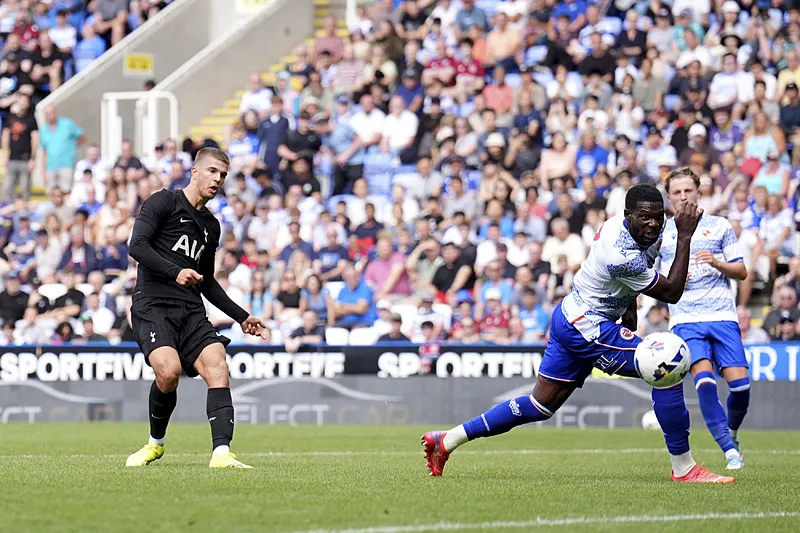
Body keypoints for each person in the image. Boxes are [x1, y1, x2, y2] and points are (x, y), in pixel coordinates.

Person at [422, 175, 735, 484]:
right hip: (588, 324)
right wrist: (684, 236)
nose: (653, 224)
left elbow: (624, 281)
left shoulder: (633, 229)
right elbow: (671, 293)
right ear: (628, 217)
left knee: (539, 405)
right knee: (666, 366)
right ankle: (684, 468)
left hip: (570, 316)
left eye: (657, 218)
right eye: (645, 218)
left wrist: (627, 305)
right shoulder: (619, 253)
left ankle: (447, 440)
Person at [125, 148, 266, 469]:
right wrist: (174, 271)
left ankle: (221, 454)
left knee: (218, 365)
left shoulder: (211, 226)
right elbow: (137, 245)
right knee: (169, 371)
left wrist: (242, 317)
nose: (218, 179)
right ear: (195, 172)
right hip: (153, 304)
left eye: (223, 175)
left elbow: (208, 282)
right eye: (213, 171)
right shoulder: (164, 202)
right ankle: (155, 444)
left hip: (190, 310)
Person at [660, 170, 749, 470]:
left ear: (699, 192)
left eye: (688, 190)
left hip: (722, 315)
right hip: (685, 319)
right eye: (677, 192)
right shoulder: (662, 233)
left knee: (740, 388)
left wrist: (717, 262)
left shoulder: (720, 226)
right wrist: (671, 281)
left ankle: (733, 432)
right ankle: (728, 451)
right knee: (704, 382)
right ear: (669, 197)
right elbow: (653, 279)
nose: (683, 196)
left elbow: (742, 271)